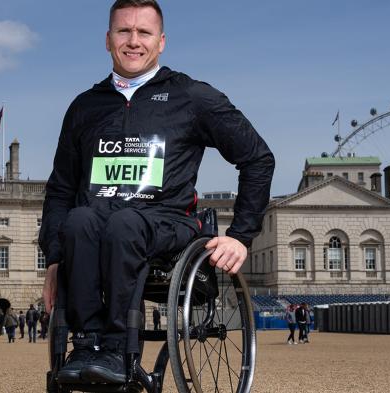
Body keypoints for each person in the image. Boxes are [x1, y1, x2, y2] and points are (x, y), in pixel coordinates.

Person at [39, 0, 274, 384]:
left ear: (161, 41)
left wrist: (240, 237)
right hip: (95, 228)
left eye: (143, 32)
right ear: (108, 39)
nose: (133, 41)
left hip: (167, 224)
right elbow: (61, 190)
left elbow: (258, 159)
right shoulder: (84, 107)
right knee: (79, 219)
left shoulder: (193, 97)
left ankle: (116, 349)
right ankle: (86, 344)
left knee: (124, 224)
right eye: (123, 31)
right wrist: (53, 260)